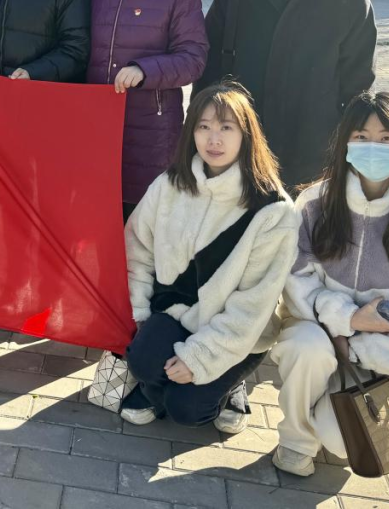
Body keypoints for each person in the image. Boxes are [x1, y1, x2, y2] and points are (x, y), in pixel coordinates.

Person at [271, 91, 389, 477]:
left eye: (387, 138)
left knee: (339, 439)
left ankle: (322, 405)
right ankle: (295, 441)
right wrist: (348, 319)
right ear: (345, 143)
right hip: (316, 332)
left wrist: (356, 346)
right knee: (306, 350)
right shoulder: (315, 204)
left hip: (382, 353)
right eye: (362, 136)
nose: (374, 147)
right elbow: (295, 279)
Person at [122, 83, 299, 434]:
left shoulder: (273, 210)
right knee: (142, 361)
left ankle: (228, 385)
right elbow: (137, 249)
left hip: (237, 332)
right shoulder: (170, 184)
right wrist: (140, 313)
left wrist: (200, 358)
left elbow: (252, 305)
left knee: (186, 409)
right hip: (177, 312)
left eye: (226, 128)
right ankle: (159, 386)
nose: (213, 139)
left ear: (246, 135)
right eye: (204, 126)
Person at [196, 0, 377, 190]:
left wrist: (346, 149)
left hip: (313, 154)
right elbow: (208, 63)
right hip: (238, 144)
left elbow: (357, 85)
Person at [88, 0, 208, 217]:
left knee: (144, 226)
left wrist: (145, 70)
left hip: (152, 134)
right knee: (98, 222)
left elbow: (194, 58)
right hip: (96, 128)